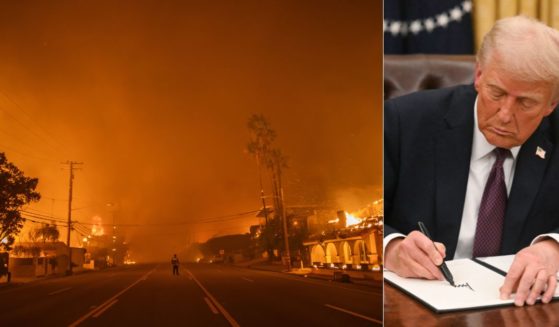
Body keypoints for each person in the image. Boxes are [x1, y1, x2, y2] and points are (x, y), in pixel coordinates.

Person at [384, 15, 559, 307]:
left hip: (520, 309)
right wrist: (391, 248)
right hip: (416, 306)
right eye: (497, 93)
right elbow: (356, 211)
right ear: (478, 75)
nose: (505, 114)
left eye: (525, 102)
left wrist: (552, 248)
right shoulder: (405, 122)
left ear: (551, 104)